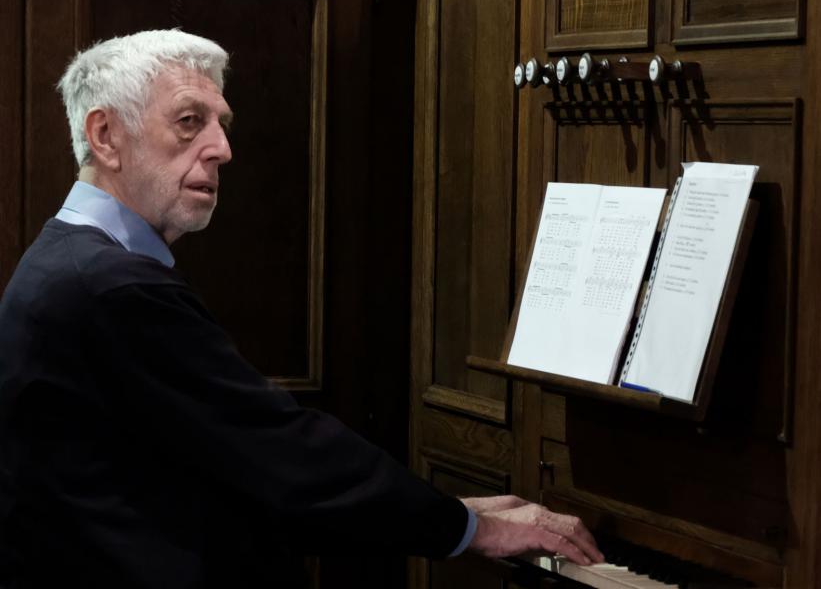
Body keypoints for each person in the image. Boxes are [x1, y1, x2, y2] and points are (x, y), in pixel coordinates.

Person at [0, 29, 602, 588]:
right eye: (190, 122)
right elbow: (277, 452)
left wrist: (447, 514)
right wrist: (471, 528)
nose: (222, 148)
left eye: (221, 123)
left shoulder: (70, 259)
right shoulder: (111, 286)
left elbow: (216, 467)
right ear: (105, 136)